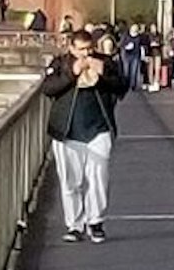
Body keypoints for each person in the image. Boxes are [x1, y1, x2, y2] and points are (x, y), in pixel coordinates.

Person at [41, 28, 129, 243]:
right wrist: (72, 72)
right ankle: (75, 224)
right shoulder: (60, 64)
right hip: (67, 131)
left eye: (89, 49)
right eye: (80, 50)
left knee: (98, 176)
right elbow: (48, 88)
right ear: (71, 48)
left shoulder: (106, 63)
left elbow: (122, 87)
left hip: (98, 128)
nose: (85, 54)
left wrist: (103, 76)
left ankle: (96, 221)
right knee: (71, 181)